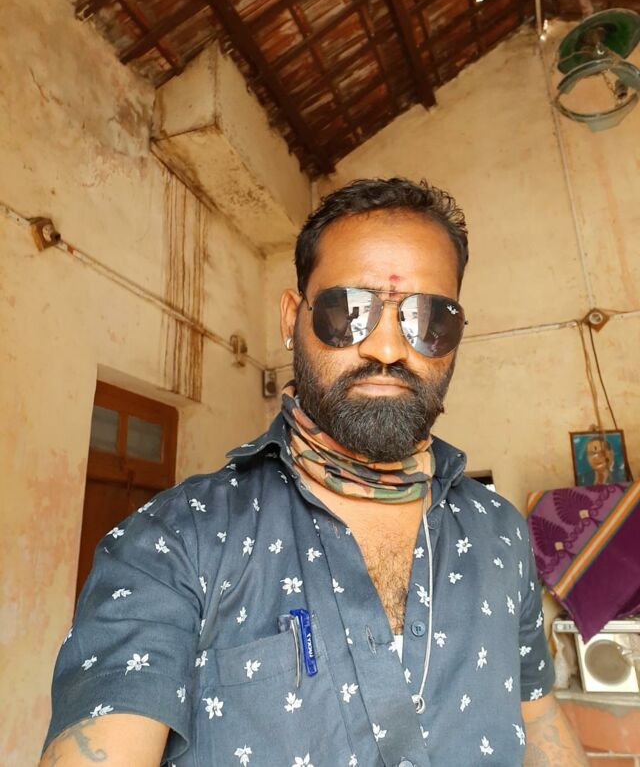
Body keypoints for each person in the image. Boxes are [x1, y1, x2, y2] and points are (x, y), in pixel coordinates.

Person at [41, 178, 588, 766]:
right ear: (291, 318)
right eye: (348, 311)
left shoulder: (500, 533)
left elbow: (538, 717)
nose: (387, 348)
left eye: (428, 317)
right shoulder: (175, 541)